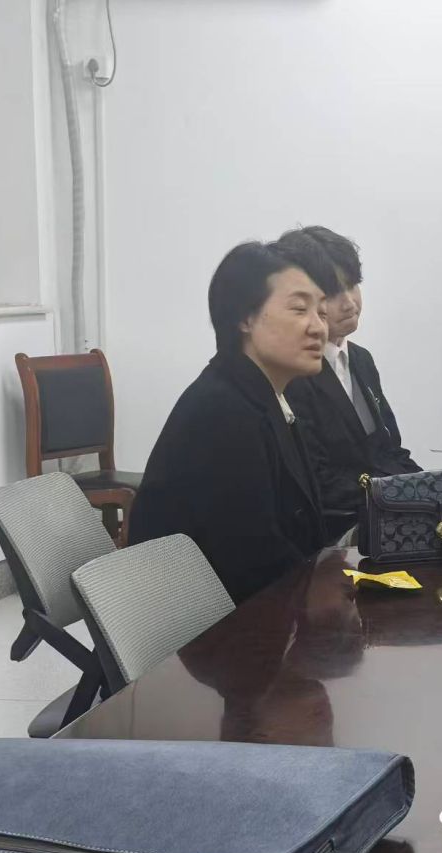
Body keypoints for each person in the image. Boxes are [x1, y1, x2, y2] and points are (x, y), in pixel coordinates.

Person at [128, 241, 331, 601]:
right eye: (300, 309)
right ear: (245, 319)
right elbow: (252, 560)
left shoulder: (261, 395)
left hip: (256, 606)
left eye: (322, 312)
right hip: (201, 623)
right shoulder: (223, 412)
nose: (318, 328)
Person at [276, 227, 423, 541]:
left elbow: (390, 450)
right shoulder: (291, 373)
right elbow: (318, 480)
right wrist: (403, 494)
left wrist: (431, 490)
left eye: (353, 285)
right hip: (335, 535)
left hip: (382, 515)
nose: (349, 302)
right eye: (332, 293)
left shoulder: (361, 359)